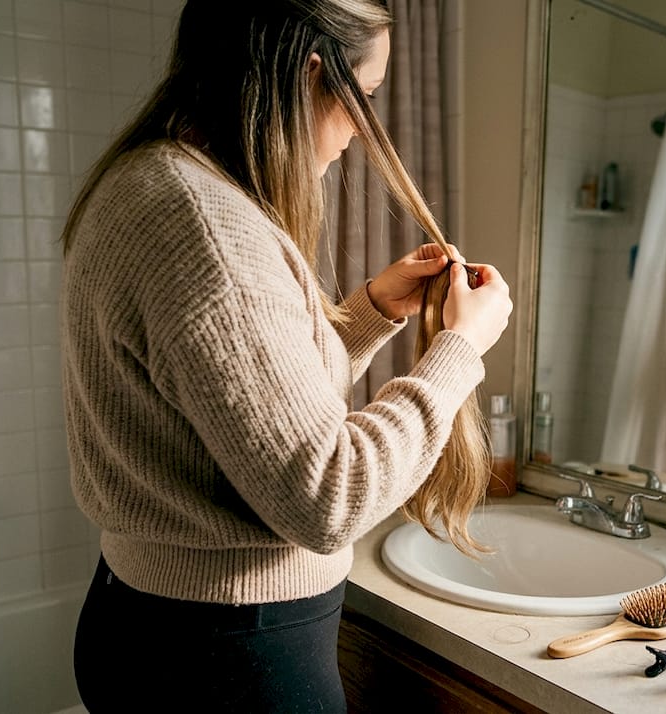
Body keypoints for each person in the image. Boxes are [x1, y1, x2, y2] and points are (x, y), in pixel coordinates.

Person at [60, 2, 513, 711]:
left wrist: (375, 311)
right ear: (308, 76)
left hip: (163, 627)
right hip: (223, 658)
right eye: (363, 96)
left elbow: (242, 405)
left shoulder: (159, 181)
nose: (364, 133)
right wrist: (459, 349)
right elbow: (325, 495)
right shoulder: (207, 224)